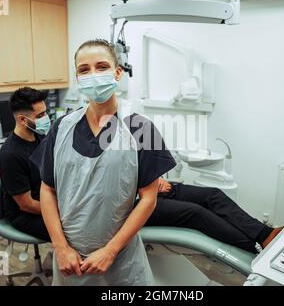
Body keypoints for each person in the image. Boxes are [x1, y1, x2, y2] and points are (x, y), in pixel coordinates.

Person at [30, 39, 176, 286]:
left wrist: (110, 250)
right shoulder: (61, 128)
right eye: (84, 70)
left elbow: (149, 198)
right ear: (77, 77)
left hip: (121, 260)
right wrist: (60, 247)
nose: (93, 75)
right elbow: (47, 189)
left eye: (101, 67)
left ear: (117, 73)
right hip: (70, 260)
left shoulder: (140, 129)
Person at [146, 178, 284, 253]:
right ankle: (254, 248)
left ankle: (265, 235)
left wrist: (154, 177)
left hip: (149, 188)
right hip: (134, 205)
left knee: (212, 195)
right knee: (196, 212)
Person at [0, 87, 51, 242]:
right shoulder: (10, 156)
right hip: (24, 215)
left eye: (45, 112)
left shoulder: (39, 137)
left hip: (45, 200)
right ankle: (60, 262)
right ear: (22, 119)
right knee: (73, 231)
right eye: (40, 115)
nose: (45, 118)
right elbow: (27, 205)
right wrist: (60, 211)